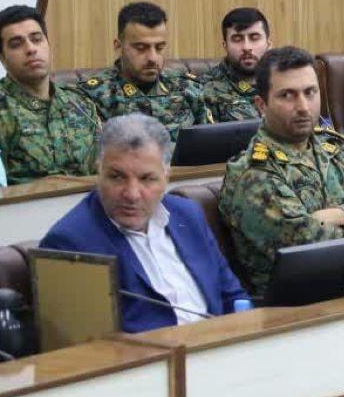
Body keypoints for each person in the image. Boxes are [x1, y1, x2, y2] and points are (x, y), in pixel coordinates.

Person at [220, 46, 344, 297]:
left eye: (310, 92)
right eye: (287, 95)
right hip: (299, 308)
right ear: (261, 105)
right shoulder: (254, 174)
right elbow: (311, 247)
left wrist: (338, 214)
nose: (303, 107)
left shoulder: (335, 150)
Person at [40, 115, 248, 331]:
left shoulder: (188, 215)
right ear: (98, 171)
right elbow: (86, 341)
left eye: (147, 179)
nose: (132, 194)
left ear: (166, 176)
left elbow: (233, 297)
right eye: (117, 177)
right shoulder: (69, 243)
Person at [0, 4, 101, 184]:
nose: (30, 49)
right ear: (2, 59)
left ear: (49, 45)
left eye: (37, 39)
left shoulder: (80, 104)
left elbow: (102, 171)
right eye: (16, 44)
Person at [78, 1, 212, 139]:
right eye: (141, 48)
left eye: (159, 48)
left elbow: (211, 143)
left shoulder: (187, 88)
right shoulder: (91, 97)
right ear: (118, 46)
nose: (152, 58)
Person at [198, 7, 271, 122]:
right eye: (237, 39)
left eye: (254, 38)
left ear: (268, 44)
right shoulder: (203, 89)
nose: (247, 47)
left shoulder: (285, 82)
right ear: (225, 46)